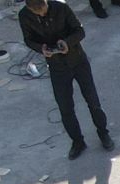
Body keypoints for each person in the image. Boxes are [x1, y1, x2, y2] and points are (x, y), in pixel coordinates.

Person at [19, 0, 110, 158]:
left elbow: (79, 31)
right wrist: (41, 48)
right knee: (65, 107)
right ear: (29, 9)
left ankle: (103, 133)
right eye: (37, 13)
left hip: (78, 61)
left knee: (93, 102)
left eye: (43, 10)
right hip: (57, 67)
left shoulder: (61, 7)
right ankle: (77, 141)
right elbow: (28, 39)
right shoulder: (25, 16)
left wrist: (67, 43)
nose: (42, 14)